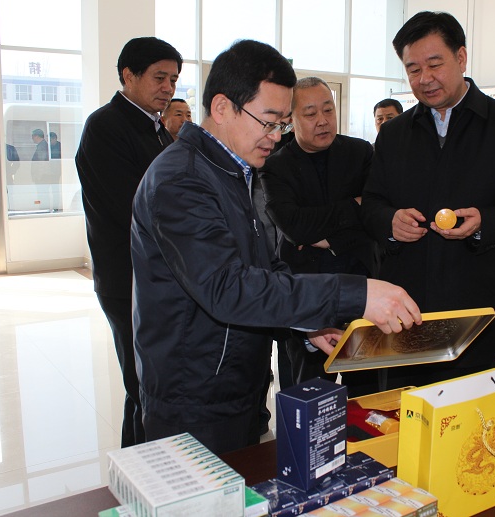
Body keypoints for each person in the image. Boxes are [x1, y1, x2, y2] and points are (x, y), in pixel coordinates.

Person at [130, 39, 421, 455]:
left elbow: (265, 267)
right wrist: (356, 294)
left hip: (234, 382)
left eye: (282, 124)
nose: (275, 137)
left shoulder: (233, 171)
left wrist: (310, 323)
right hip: (193, 395)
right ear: (222, 108)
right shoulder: (183, 180)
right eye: (268, 122)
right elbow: (227, 287)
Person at [361, 11, 495, 390]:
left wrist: (485, 223)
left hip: (475, 313)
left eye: (434, 64)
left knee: (468, 417)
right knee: (404, 416)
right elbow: (372, 203)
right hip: (407, 315)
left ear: (461, 58)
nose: (424, 78)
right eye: (413, 69)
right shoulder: (394, 134)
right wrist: (389, 222)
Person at [75, 36, 182, 448]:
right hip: (128, 279)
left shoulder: (157, 130)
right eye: (159, 77)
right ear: (128, 75)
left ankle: (151, 468)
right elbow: (133, 207)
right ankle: (140, 474)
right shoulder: (106, 127)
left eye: (173, 80)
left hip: (158, 277)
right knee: (143, 388)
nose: (168, 88)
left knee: (155, 386)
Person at [260, 77, 379, 390]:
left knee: (365, 390)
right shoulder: (276, 165)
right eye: (311, 113)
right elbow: (295, 227)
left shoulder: (360, 152)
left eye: (328, 110)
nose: (323, 120)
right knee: (308, 390)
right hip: (306, 293)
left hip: (361, 285)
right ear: (291, 119)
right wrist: (352, 207)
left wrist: (325, 237)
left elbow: (374, 214)